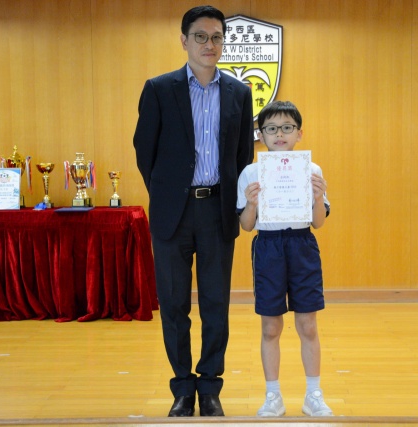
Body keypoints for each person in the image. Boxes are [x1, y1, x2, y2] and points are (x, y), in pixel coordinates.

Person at [133, 5, 254, 418]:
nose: (209, 44)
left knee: (216, 304)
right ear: (184, 40)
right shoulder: (159, 89)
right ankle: (183, 387)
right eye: (200, 36)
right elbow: (144, 151)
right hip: (174, 213)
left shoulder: (239, 93)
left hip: (218, 211)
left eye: (217, 37)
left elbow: (242, 156)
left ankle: (211, 386)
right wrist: (168, 194)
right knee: (174, 304)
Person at [236, 101, 333, 417]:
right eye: (272, 128)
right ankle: (273, 396)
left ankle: (313, 395)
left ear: (299, 133)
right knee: (270, 327)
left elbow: (318, 222)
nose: (280, 134)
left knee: (308, 324)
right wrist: (251, 203)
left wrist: (317, 196)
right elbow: (246, 226)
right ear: (261, 134)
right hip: (268, 247)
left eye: (287, 128)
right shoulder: (251, 172)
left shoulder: (312, 169)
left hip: (302, 245)